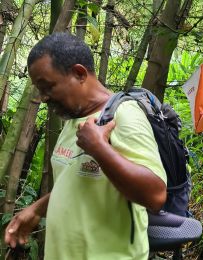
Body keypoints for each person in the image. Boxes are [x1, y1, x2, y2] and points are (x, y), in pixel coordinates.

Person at [4, 32, 167, 259]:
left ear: (79, 73)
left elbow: (155, 195)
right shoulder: (73, 119)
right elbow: (78, 183)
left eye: (48, 86)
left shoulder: (124, 115)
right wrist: (37, 209)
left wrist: (99, 148)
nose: (43, 97)